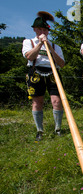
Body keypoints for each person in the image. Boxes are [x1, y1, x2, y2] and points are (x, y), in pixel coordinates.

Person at [22, 11, 65, 141]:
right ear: (35, 29)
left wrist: (50, 49)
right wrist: (40, 44)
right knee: (37, 101)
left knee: (57, 101)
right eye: (39, 29)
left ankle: (58, 128)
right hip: (35, 71)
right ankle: (39, 130)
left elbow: (62, 64)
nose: (42, 32)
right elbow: (29, 56)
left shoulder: (55, 46)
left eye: (45, 29)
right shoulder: (28, 42)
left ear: (48, 31)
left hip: (53, 72)